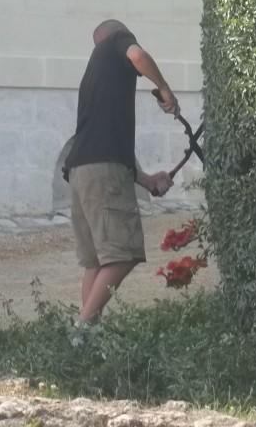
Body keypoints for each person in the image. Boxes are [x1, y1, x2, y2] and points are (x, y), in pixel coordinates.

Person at [63, 18, 180, 324]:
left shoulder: (92, 75)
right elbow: (138, 56)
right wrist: (164, 89)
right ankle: (83, 327)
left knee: (96, 261)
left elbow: (105, 140)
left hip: (78, 171)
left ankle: (84, 342)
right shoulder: (116, 41)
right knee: (123, 253)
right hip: (102, 170)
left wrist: (146, 179)